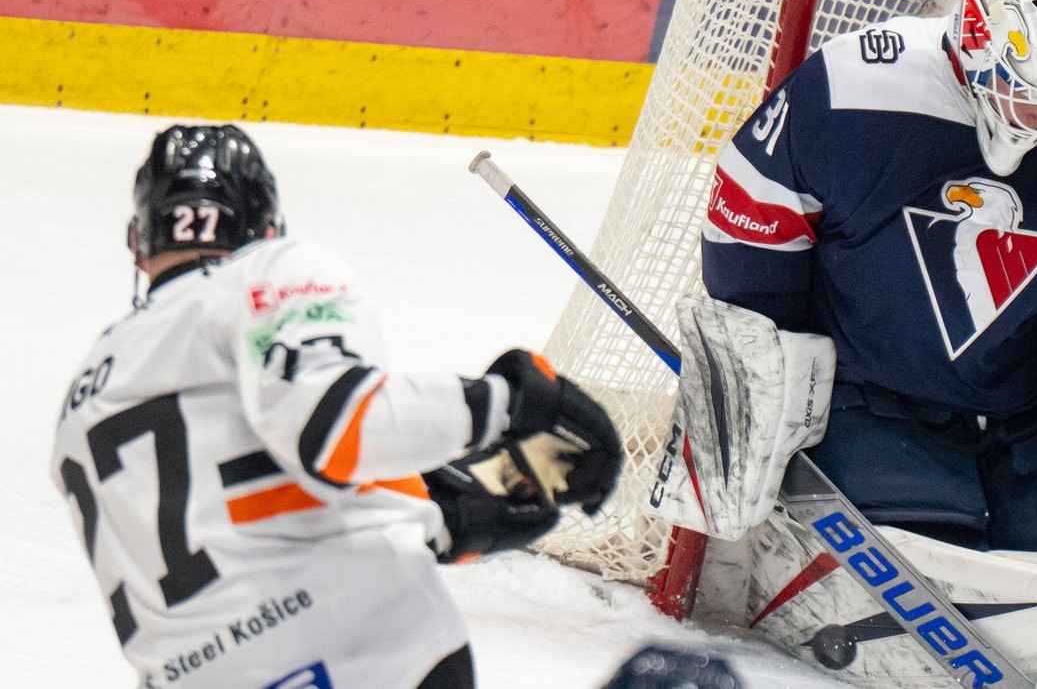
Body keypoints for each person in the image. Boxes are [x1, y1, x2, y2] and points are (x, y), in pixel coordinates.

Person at [51, 124, 622, 689]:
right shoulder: (267, 272)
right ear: (266, 228)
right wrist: (508, 405)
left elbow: (231, 520)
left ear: (139, 241)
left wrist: (439, 520)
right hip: (369, 661)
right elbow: (338, 427)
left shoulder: (84, 398)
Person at [701, 0, 1037, 554]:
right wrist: (774, 377)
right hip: (865, 393)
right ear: (977, 49)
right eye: (1022, 94)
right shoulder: (856, 86)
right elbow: (753, 233)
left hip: (1024, 415)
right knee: (921, 549)